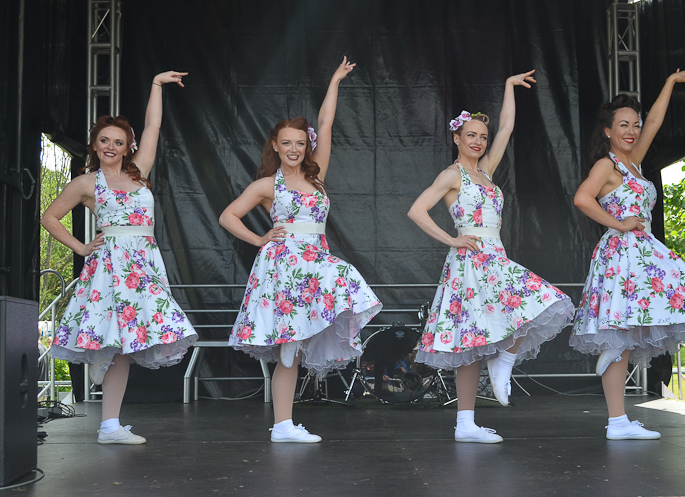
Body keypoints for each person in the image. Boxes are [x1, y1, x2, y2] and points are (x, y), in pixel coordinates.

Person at [220, 57, 382, 443]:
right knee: (289, 348)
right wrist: (260, 239)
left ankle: (283, 425)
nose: (294, 149)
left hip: (314, 262)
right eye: (286, 143)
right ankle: (283, 426)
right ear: (275, 145)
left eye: (300, 143)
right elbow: (228, 216)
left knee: (296, 343)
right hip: (285, 265)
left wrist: (335, 81)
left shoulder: (316, 175)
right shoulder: (267, 185)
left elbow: (325, 124)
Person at [408, 71, 575, 443]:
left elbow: (507, 128)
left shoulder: (485, 171)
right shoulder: (452, 175)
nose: (479, 141)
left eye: (482, 136)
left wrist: (508, 88)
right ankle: (465, 424)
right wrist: (452, 240)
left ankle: (503, 361)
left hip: (494, 254)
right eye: (471, 135)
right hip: (469, 261)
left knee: (534, 301)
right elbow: (417, 211)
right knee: (468, 342)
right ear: (457, 138)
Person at [570, 68, 685, 440]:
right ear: (608, 130)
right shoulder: (607, 165)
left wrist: (670, 84)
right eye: (623, 124)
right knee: (617, 341)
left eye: (635, 125)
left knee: (623, 341)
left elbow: (656, 121)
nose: (632, 130)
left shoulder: (634, 162)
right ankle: (617, 422)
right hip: (622, 256)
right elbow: (581, 198)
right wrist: (619, 223)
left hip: (644, 257)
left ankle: (618, 422)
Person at [42, 71, 198, 444]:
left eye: (118, 141)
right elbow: (49, 216)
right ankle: (109, 420)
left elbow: (153, 125)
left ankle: (110, 425)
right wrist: (80, 247)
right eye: (104, 141)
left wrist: (156, 85)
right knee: (117, 341)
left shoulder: (139, 172)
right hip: (110, 265)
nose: (111, 146)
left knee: (128, 343)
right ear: (95, 145)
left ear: (128, 146)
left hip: (143, 263)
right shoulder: (86, 183)